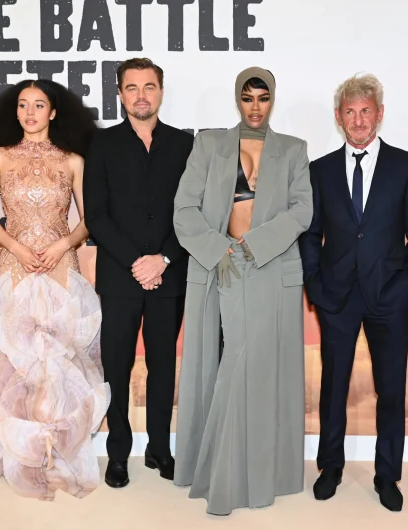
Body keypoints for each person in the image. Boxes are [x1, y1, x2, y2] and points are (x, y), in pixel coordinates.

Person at [0, 78, 110, 501]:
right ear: (14, 111)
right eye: (23, 105)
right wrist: (16, 247)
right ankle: (22, 455)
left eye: (39, 105)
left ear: (53, 112)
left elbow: (90, 219)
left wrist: (62, 245)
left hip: (61, 264)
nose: (30, 112)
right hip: (14, 263)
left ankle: (57, 451)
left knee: (59, 358)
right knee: (15, 361)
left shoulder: (73, 160)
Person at [172, 67, 312, 516]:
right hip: (222, 264)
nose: (255, 107)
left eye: (263, 98)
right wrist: (218, 249)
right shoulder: (209, 145)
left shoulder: (293, 149)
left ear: (273, 100)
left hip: (270, 266)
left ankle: (255, 474)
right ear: (238, 99)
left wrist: (257, 244)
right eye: (248, 98)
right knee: (229, 360)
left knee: (261, 367)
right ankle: (219, 471)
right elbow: (184, 208)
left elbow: (302, 210)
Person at [298, 73, 408, 512]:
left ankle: (387, 475)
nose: (358, 120)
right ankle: (330, 468)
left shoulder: (406, 166)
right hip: (335, 296)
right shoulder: (319, 170)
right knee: (333, 386)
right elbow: (309, 234)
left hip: (389, 296)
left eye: (366, 111)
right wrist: (314, 284)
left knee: (390, 389)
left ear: (379, 114)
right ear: (339, 117)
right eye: (350, 112)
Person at [82, 58, 193, 488]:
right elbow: (97, 215)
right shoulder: (102, 144)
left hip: (169, 276)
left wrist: (162, 259)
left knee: (163, 365)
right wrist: (138, 262)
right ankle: (118, 453)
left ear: (160, 92)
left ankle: (160, 449)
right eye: (132, 87)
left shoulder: (185, 145)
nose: (141, 95)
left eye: (149, 87)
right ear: (120, 94)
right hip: (119, 277)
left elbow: (194, 212)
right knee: (117, 366)